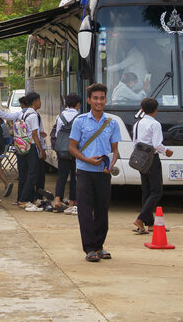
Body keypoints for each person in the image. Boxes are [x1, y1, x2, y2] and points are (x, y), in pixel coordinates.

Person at [69, 83, 120, 262]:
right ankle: (89, 248)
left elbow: (115, 150)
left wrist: (110, 165)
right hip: (84, 172)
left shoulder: (112, 123)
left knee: (102, 210)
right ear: (89, 100)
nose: (99, 102)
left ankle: (99, 246)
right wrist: (87, 160)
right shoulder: (80, 121)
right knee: (85, 210)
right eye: (95, 98)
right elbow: (72, 147)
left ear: (106, 100)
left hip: (103, 173)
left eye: (102, 98)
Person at [133, 97, 173, 234]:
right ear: (156, 110)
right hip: (152, 159)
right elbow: (157, 144)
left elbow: (135, 142)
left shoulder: (137, 124)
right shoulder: (155, 124)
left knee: (147, 191)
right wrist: (166, 151)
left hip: (140, 159)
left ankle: (149, 223)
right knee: (157, 191)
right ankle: (141, 219)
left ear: (142, 110)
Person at [52, 94, 81, 215]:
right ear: (78, 104)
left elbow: (57, 134)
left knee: (62, 175)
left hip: (62, 150)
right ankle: (71, 202)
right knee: (74, 176)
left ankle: (58, 199)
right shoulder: (80, 117)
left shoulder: (60, 117)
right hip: (75, 150)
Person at [17, 92, 47, 210]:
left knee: (26, 173)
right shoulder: (34, 115)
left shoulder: (23, 114)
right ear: (35, 101)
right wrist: (41, 150)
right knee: (33, 174)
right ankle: (23, 199)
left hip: (23, 147)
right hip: (32, 147)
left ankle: (27, 198)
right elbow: (34, 134)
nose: (40, 102)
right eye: (39, 100)